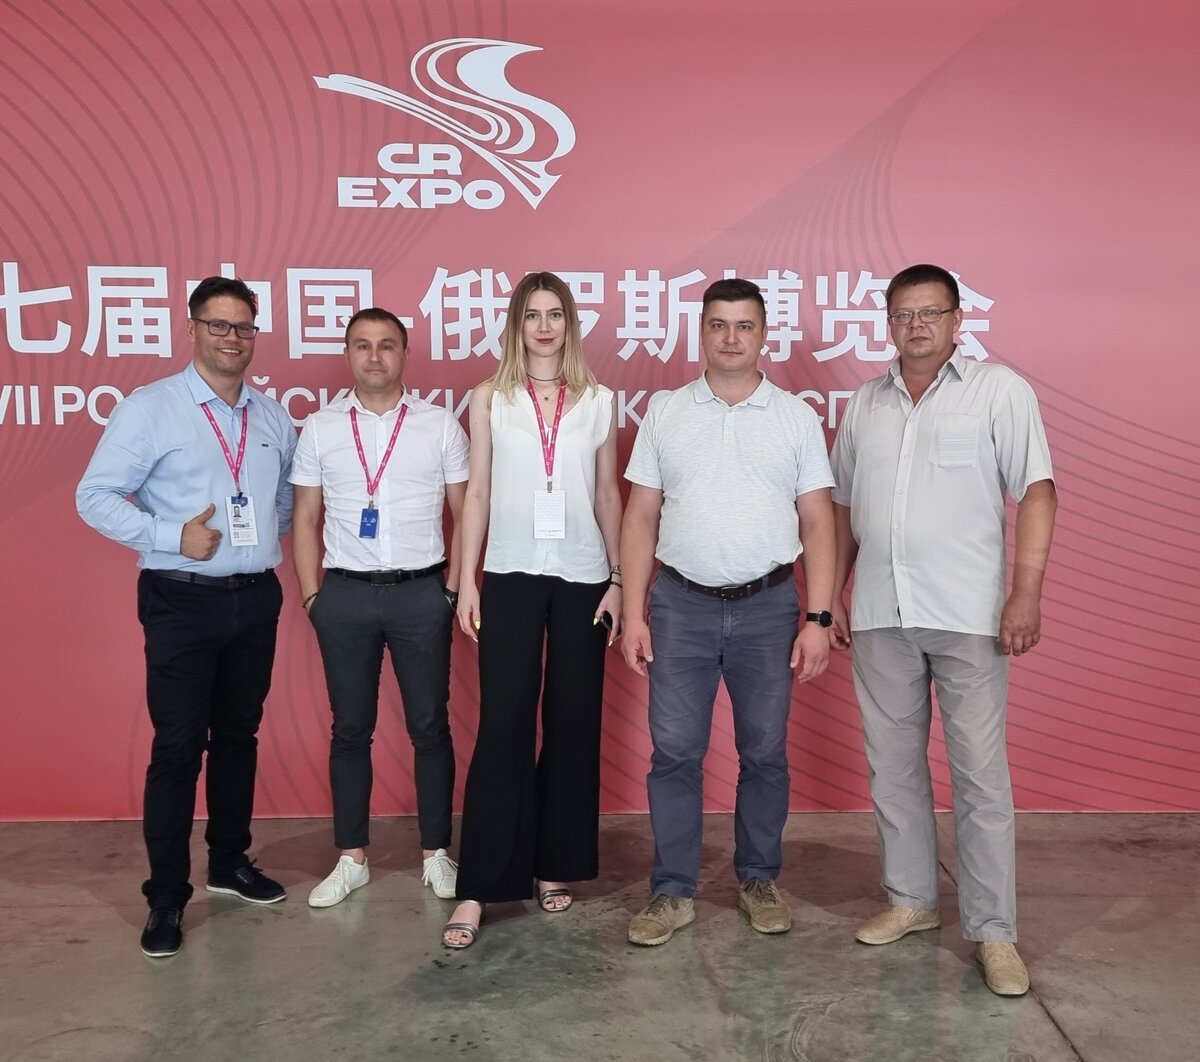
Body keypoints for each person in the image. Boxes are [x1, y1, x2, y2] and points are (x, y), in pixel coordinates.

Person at [828, 263, 1057, 997]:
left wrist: (1025, 593)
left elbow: (1037, 492)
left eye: (930, 312)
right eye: (903, 314)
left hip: (969, 615)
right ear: (888, 324)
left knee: (980, 775)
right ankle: (912, 900)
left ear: (959, 320)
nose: (916, 325)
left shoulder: (999, 391)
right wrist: (830, 595)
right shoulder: (865, 403)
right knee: (893, 769)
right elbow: (844, 507)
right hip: (881, 613)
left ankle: (994, 932)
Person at [76, 276, 297, 958]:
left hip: (254, 598)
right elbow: (94, 495)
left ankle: (229, 862)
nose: (232, 338)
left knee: (238, 737)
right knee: (177, 747)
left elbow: (285, 500)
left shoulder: (271, 416)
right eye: (218, 325)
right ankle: (167, 897)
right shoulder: (152, 409)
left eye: (244, 327)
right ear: (193, 328)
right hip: (179, 597)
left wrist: (255, 548)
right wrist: (172, 536)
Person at [621, 277, 836, 946]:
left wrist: (819, 618)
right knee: (674, 752)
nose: (731, 337)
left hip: (768, 608)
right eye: (718, 324)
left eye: (745, 325)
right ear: (702, 333)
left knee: (764, 751)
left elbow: (818, 520)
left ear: (764, 335)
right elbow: (641, 515)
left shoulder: (794, 416)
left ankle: (759, 878)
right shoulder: (666, 412)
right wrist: (633, 612)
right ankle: (672, 890)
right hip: (679, 606)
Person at [441, 271, 623, 949]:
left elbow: (607, 494)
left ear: (570, 324)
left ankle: (554, 864)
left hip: (583, 577)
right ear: (515, 324)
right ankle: (480, 885)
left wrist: (619, 579)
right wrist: (467, 580)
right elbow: (479, 493)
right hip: (510, 573)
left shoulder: (599, 400)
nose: (544, 327)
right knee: (504, 725)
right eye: (532, 315)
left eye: (555, 314)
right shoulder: (490, 396)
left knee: (573, 724)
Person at [290, 308, 468, 907]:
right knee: (350, 729)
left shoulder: (438, 425)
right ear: (348, 354)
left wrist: (452, 589)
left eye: (386, 345)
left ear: (404, 353)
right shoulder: (320, 428)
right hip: (345, 594)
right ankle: (351, 858)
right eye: (362, 345)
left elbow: (467, 511)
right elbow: (306, 517)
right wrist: (313, 596)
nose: (374, 356)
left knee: (430, 726)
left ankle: (436, 853)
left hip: (422, 593)